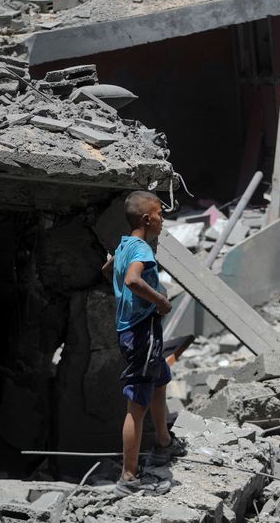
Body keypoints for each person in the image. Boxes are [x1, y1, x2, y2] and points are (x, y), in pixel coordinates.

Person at [101, 190, 186, 496]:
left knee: (159, 381)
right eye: (161, 214)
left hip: (134, 331)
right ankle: (129, 475)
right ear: (148, 219)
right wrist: (160, 300)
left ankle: (164, 443)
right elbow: (132, 281)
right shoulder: (143, 251)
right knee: (137, 403)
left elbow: (108, 269)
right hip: (141, 332)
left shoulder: (125, 245)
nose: (164, 219)